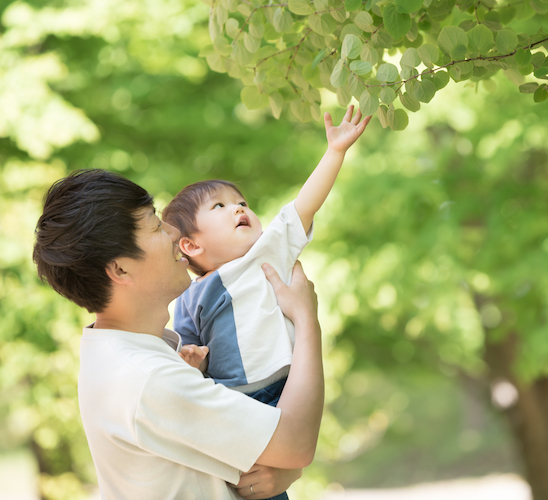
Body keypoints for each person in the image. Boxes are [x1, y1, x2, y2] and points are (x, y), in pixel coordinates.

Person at [33, 168, 324, 500]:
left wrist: (281, 467)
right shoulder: (151, 378)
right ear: (120, 269)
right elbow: (295, 444)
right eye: (156, 225)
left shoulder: (120, 356)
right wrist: (305, 319)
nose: (174, 232)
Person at [160, 106, 369, 476]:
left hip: (285, 390)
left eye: (242, 202)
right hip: (234, 401)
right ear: (191, 246)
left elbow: (302, 206)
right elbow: (191, 351)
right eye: (220, 206)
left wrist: (334, 152)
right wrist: (194, 360)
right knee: (252, 481)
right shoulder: (189, 295)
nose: (239, 208)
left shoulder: (265, 254)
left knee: (275, 472)